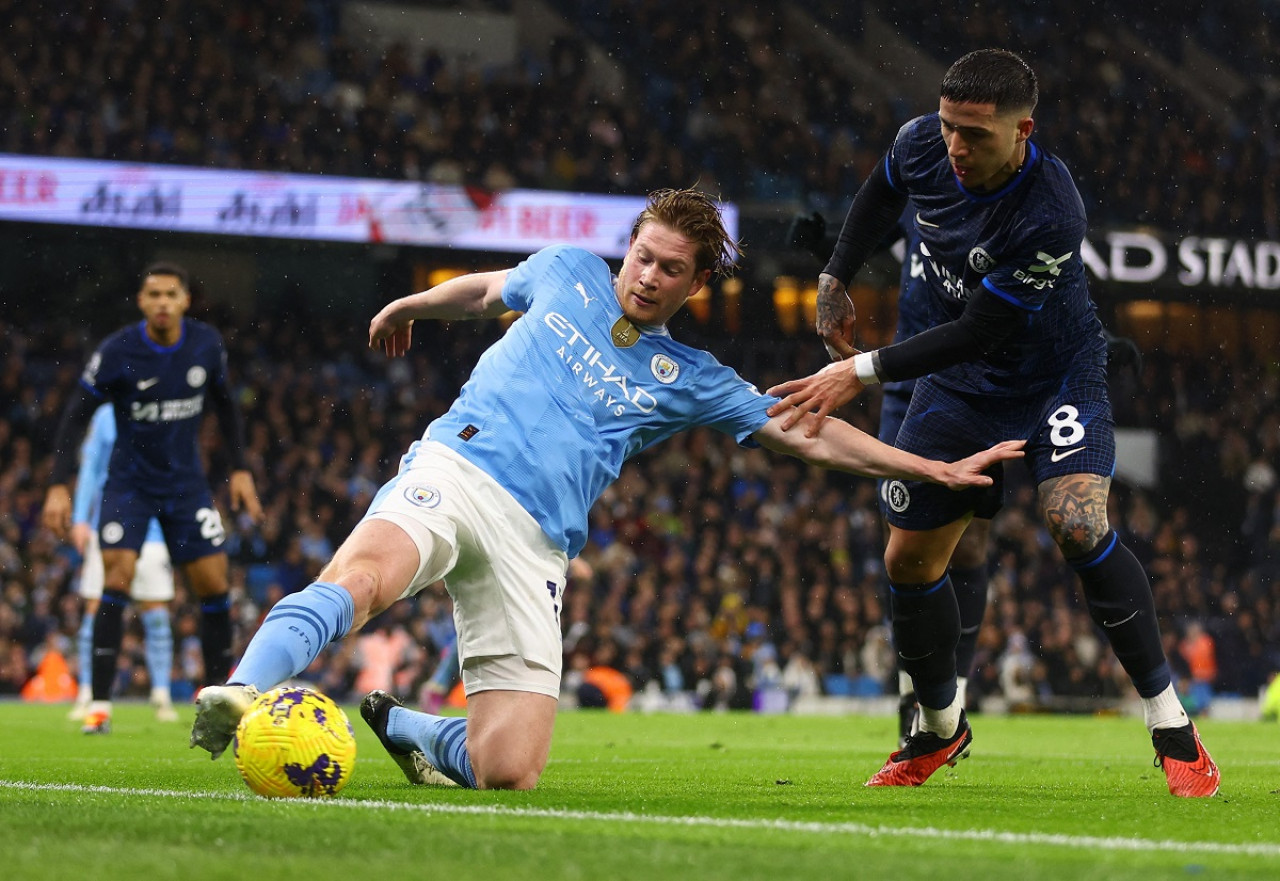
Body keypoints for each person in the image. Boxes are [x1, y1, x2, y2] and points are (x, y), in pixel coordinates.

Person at [189, 187, 1024, 790]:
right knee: (362, 578)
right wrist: (415, 300)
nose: (648, 277)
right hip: (458, 466)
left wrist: (928, 467)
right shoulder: (563, 270)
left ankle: (406, 726)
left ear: (696, 286)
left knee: (507, 769)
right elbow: (485, 291)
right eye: (642, 256)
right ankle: (242, 685)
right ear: (626, 247)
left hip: (538, 540)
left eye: (671, 270)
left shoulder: (690, 375)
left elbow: (804, 430)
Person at [768, 50, 1219, 797]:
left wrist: (861, 370)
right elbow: (882, 194)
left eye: (975, 135)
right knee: (907, 559)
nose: (955, 147)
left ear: (1022, 132)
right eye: (949, 127)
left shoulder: (1050, 208)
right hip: (963, 385)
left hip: (1052, 375)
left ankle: (1171, 723)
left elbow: (980, 328)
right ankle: (941, 727)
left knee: (1075, 522)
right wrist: (834, 274)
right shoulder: (921, 143)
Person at [789, 213, 997, 747]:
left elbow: (1051, 280)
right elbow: (875, 241)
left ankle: (956, 687)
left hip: (981, 382)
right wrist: (827, 249)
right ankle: (916, 690)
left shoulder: (1012, 207)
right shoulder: (920, 192)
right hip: (907, 379)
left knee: (969, 544)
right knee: (902, 541)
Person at [42, 262, 264, 734]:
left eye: (170, 294)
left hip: (187, 487)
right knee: (116, 580)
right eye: (153, 295)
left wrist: (241, 469)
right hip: (130, 486)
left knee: (214, 586)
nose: (162, 302)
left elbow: (226, 406)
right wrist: (59, 484)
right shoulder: (118, 351)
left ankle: (216, 707)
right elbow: (74, 417)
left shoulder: (206, 345)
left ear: (186, 300)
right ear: (141, 302)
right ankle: (99, 705)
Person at [67, 404, 179, 723]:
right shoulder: (105, 414)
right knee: (95, 610)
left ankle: (161, 695)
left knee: (156, 615)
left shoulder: (166, 405)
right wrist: (80, 519)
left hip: (154, 528)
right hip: (109, 523)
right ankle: (88, 691)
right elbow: (91, 467)